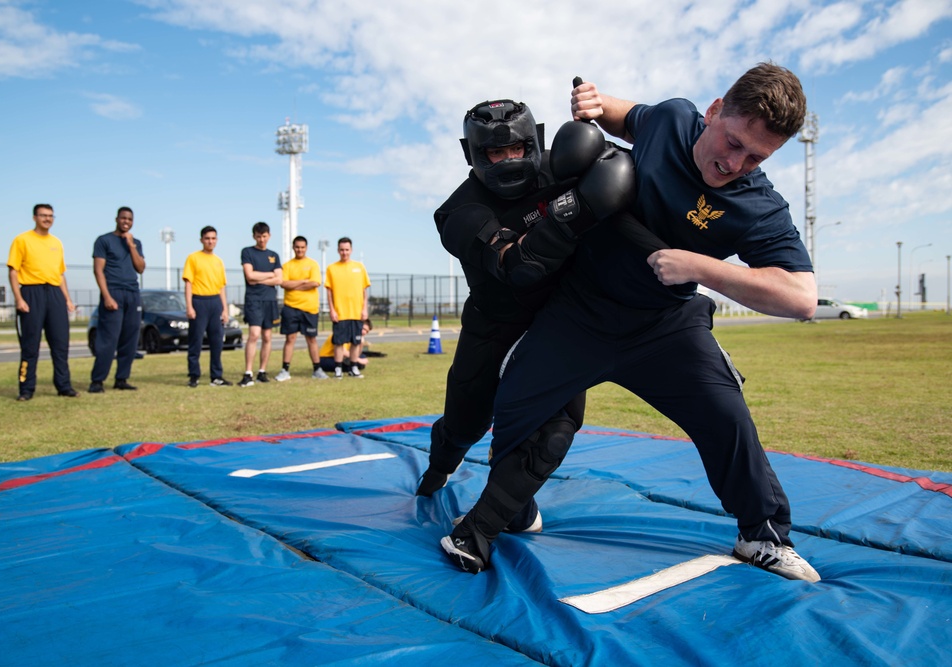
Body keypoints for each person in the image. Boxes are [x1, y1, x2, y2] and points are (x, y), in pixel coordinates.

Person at [443, 64, 822, 583]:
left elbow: (802, 297)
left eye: (756, 156)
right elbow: (625, 118)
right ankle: (514, 505)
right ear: (712, 113)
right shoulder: (670, 120)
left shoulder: (756, 203)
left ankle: (762, 534)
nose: (735, 162)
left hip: (666, 326)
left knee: (726, 418)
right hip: (581, 310)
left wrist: (701, 267)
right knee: (514, 408)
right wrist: (597, 103)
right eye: (732, 141)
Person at [416, 95, 636, 537]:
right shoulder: (458, 211)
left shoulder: (568, 165)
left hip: (560, 324)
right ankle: (438, 470)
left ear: (534, 142)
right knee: (464, 425)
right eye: (496, 152)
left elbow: (645, 185)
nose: (509, 160)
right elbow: (518, 266)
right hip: (495, 324)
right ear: (473, 155)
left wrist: (616, 159)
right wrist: (574, 211)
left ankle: (506, 511)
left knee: (553, 432)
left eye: (516, 149)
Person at [7, 204, 79, 401]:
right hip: (31, 292)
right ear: (34, 217)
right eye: (43, 215)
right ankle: (26, 388)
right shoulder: (22, 240)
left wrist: (67, 299)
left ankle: (64, 386)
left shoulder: (56, 242)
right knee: (30, 346)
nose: (47, 219)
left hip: (54, 293)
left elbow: (60, 274)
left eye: (50, 216)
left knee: (60, 344)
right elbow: (13, 271)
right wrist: (19, 298)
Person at [89, 206, 146, 393]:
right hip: (113, 291)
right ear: (116, 219)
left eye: (129, 219)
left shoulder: (135, 243)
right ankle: (97, 381)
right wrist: (106, 296)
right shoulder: (104, 240)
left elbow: (140, 268)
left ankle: (121, 378)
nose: (126, 222)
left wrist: (131, 246)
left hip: (132, 293)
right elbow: (98, 270)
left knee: (130, 338)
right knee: (108, 339)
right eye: (123, 218)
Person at [183, 226, 231, 388]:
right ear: (201, 240)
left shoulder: (219, 261)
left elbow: (221, 287)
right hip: (199, 301)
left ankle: (216, 376)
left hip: (215, 302)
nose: (210, 241)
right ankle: (194, 375)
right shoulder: (193, 258)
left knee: (217, 341)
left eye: (213, 238)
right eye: (207, 238)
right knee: (195, 340)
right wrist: (189, 306)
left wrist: (225, 309)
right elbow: (188, 283)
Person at [277, 235, 328, 381]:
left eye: (302, 247)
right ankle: (285, 370)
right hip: (291, 307)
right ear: (293, 247)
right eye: (297, 247)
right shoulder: (287, 265)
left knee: (311, 339)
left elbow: (314, 283)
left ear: (306, 248)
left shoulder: (313, 264)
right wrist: (303, 281)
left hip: (309, 308)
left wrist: (295, 284)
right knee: (290, 339)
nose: (300, 250)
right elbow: (283, 284)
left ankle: (317, 369)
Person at [238, 222, 282, 386]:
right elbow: (250, 276)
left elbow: (279, 279)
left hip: (270, 300)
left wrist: (262, 277)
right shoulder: (247, 252)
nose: (262, 240)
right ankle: (248, 372)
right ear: (254, 236)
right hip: (254, 299)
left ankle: (262, 371)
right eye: (258, 236)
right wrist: (270, 275)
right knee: (254, 335)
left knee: (267, 336)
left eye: (264, 236)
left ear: (269, 236)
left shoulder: (274, 255)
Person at [324, 237, 370, 378]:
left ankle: (353, 368)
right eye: (342, 250)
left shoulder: (359, 267)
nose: (344, 252)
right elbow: (329, 292)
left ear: (351, 250)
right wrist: (332, 310)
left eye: (347, 250)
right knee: (339, 342)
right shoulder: (332, 268)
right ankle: (338, 369)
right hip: (340, 313)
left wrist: (364, 309)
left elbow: (364, 291)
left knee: (355, 342)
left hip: (356, 313)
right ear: (338, 250)